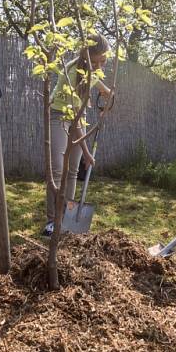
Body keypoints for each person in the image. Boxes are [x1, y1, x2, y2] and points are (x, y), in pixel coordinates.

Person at [43, 35, 111, 236]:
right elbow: (72, 118)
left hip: (77, 117)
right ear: (85, 55)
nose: (98, 66)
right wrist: (87, 153)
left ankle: (67, 219)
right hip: (59, 116)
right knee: (57, 169)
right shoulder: (74, 72)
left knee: (72, 171)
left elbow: (108, 92)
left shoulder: (94, 71)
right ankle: (52, 220)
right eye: (94, 61)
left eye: (103, 61)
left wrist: (109, 101)